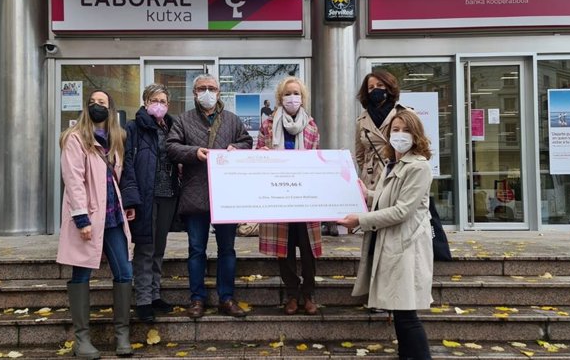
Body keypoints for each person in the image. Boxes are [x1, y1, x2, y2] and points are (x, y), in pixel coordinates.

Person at [338, 109, 434, 360]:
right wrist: (364, 192)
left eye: (405, 130)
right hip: (392, 246)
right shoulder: (393, 164)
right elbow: (383, 200)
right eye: (395, 130)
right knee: (400, 312)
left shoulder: (418, 167)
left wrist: (359, 219)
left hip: (406, 246)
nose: (399, 135)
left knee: (406, 314)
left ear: (416, 135)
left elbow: (402, 211)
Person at [166, 74, 253, 319]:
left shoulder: (232, 120)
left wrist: (237, 149)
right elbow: (171, 147)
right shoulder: (183, 120)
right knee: (196, 249)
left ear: (219, 92)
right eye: (202, 88)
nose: (207, 92)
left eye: (211, 88)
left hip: (226, 195)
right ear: (194, 93)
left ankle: (227, 298)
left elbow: (247, 142)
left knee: (227, 249)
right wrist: (194, 152)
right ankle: (197, 299)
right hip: (195, 193)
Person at [56, 90, 133, 359]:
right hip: (87, 218)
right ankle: (82, 339)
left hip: (112, 217)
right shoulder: (75, 139)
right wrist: (80, 218)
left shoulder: (117, 139)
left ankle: (122, 335)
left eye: (102, 103)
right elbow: (74, 180)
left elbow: (116, 179)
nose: (97, 106)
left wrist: (127, 207)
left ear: (110, 108)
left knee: (124, 272)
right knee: (82, 275)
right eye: (92, 103)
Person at [256, 77, 322, 315]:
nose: (292, 98)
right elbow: (259, 153)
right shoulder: (268, 125)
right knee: (283, 250)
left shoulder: (311, 126)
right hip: (278, 195)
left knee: (308, 249)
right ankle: (292, 295)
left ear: (302, 98)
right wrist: (262, 153)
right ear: (280, 98)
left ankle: (309, 293)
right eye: (287, 94)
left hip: (305, 196)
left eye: (296, 93)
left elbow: (316, 160)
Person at [119, 84, 180, 323]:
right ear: (145, 102)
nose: (159, 104)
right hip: (146, 196)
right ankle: (143, 300)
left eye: (163, 101)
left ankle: (155, 295)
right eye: (155, 100)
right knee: (145, 247)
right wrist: (131, 198)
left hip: (168, 196)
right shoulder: (133, 128)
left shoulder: (172, 127)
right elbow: (128, 164)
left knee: (159, 247)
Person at [355, 69, 406, 202]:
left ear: (389, 88)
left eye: (380, 85)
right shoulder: (362, 120)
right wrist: (368, 169)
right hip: (370, 179)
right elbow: (360, 155)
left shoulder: (405, 114)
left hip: (397, 173)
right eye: (371, 87)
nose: (375, 90)